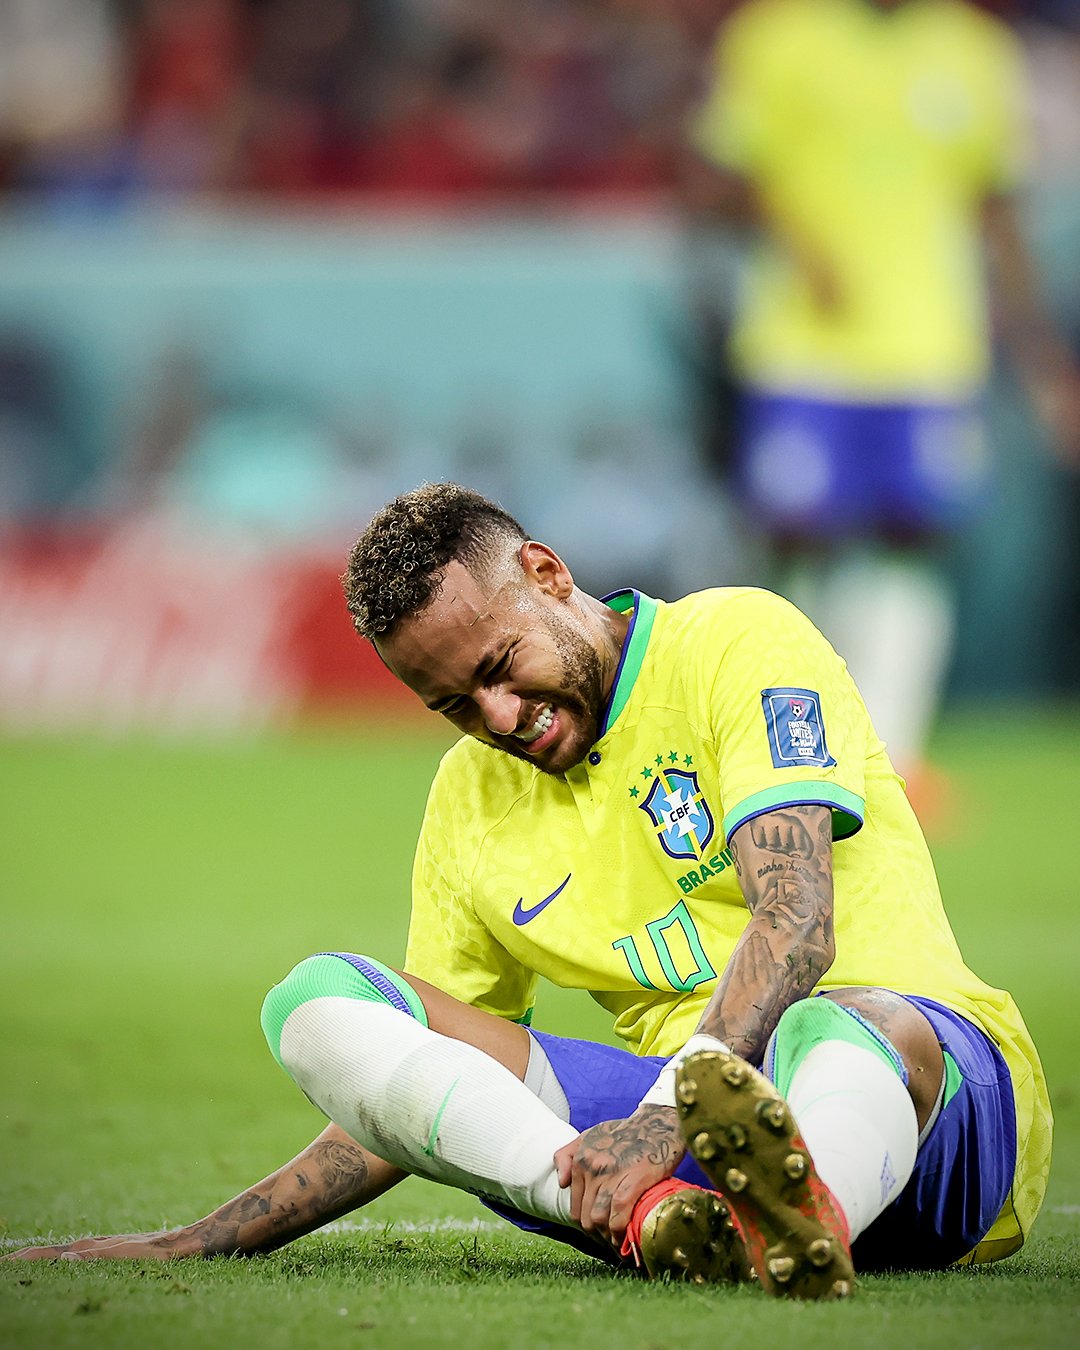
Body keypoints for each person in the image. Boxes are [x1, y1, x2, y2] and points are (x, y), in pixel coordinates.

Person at [8, 483, 1051, 1300]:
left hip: (928, 1107)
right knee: (319, 1002)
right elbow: (418, 1093)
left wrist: (662, 1120)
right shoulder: (470, 799)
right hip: (672, 1141)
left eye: (501, 664)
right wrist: (202, 1238)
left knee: (840, 1023)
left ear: (547, 574)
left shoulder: (737, 640)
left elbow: (798, 924)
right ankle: (665, 1223)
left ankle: (802, 1213)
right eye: (455, 705)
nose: (500, 717)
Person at [681, 0, 1080, 798]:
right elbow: (718, 179)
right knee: (795, 536)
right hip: (802, 349)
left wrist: (1042, 358)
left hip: (930, 352)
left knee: (915, 536)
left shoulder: (975, 51)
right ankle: (782, 742)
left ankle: (892, 755)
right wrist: (802, 246)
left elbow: (996, 208)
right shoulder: (778, 37)